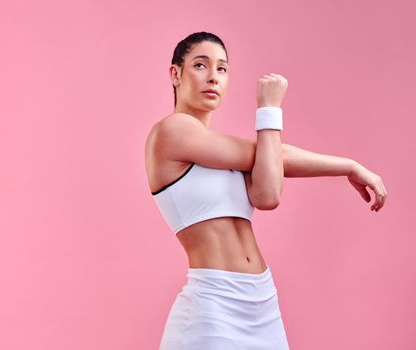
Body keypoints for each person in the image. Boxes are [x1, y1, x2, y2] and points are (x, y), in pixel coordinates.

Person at [144, 31, 387, 349]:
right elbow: (270, 171)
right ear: (175, 73)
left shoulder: (221, 150)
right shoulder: (170, 131)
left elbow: (268, 186)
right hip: (213, 305)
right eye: (201, 65)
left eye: (222, 68)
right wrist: (269, 108)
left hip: (262, 301)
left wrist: (349, 165)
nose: (213, 78)